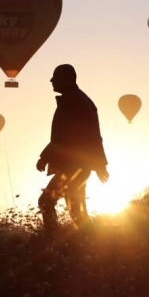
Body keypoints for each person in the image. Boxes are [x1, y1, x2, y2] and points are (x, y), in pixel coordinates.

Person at [36, 64, 109, 231]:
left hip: (74, 167)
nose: (51, 80)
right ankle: (90, 243)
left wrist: (100, 165)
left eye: (56, 77)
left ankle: (53, 238)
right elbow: (64, 137)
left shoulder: (77, 102)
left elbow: (90, 135)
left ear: (68, 78)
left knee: (46, 202)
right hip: (75, 166)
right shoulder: (73, 101)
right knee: (77, 211)